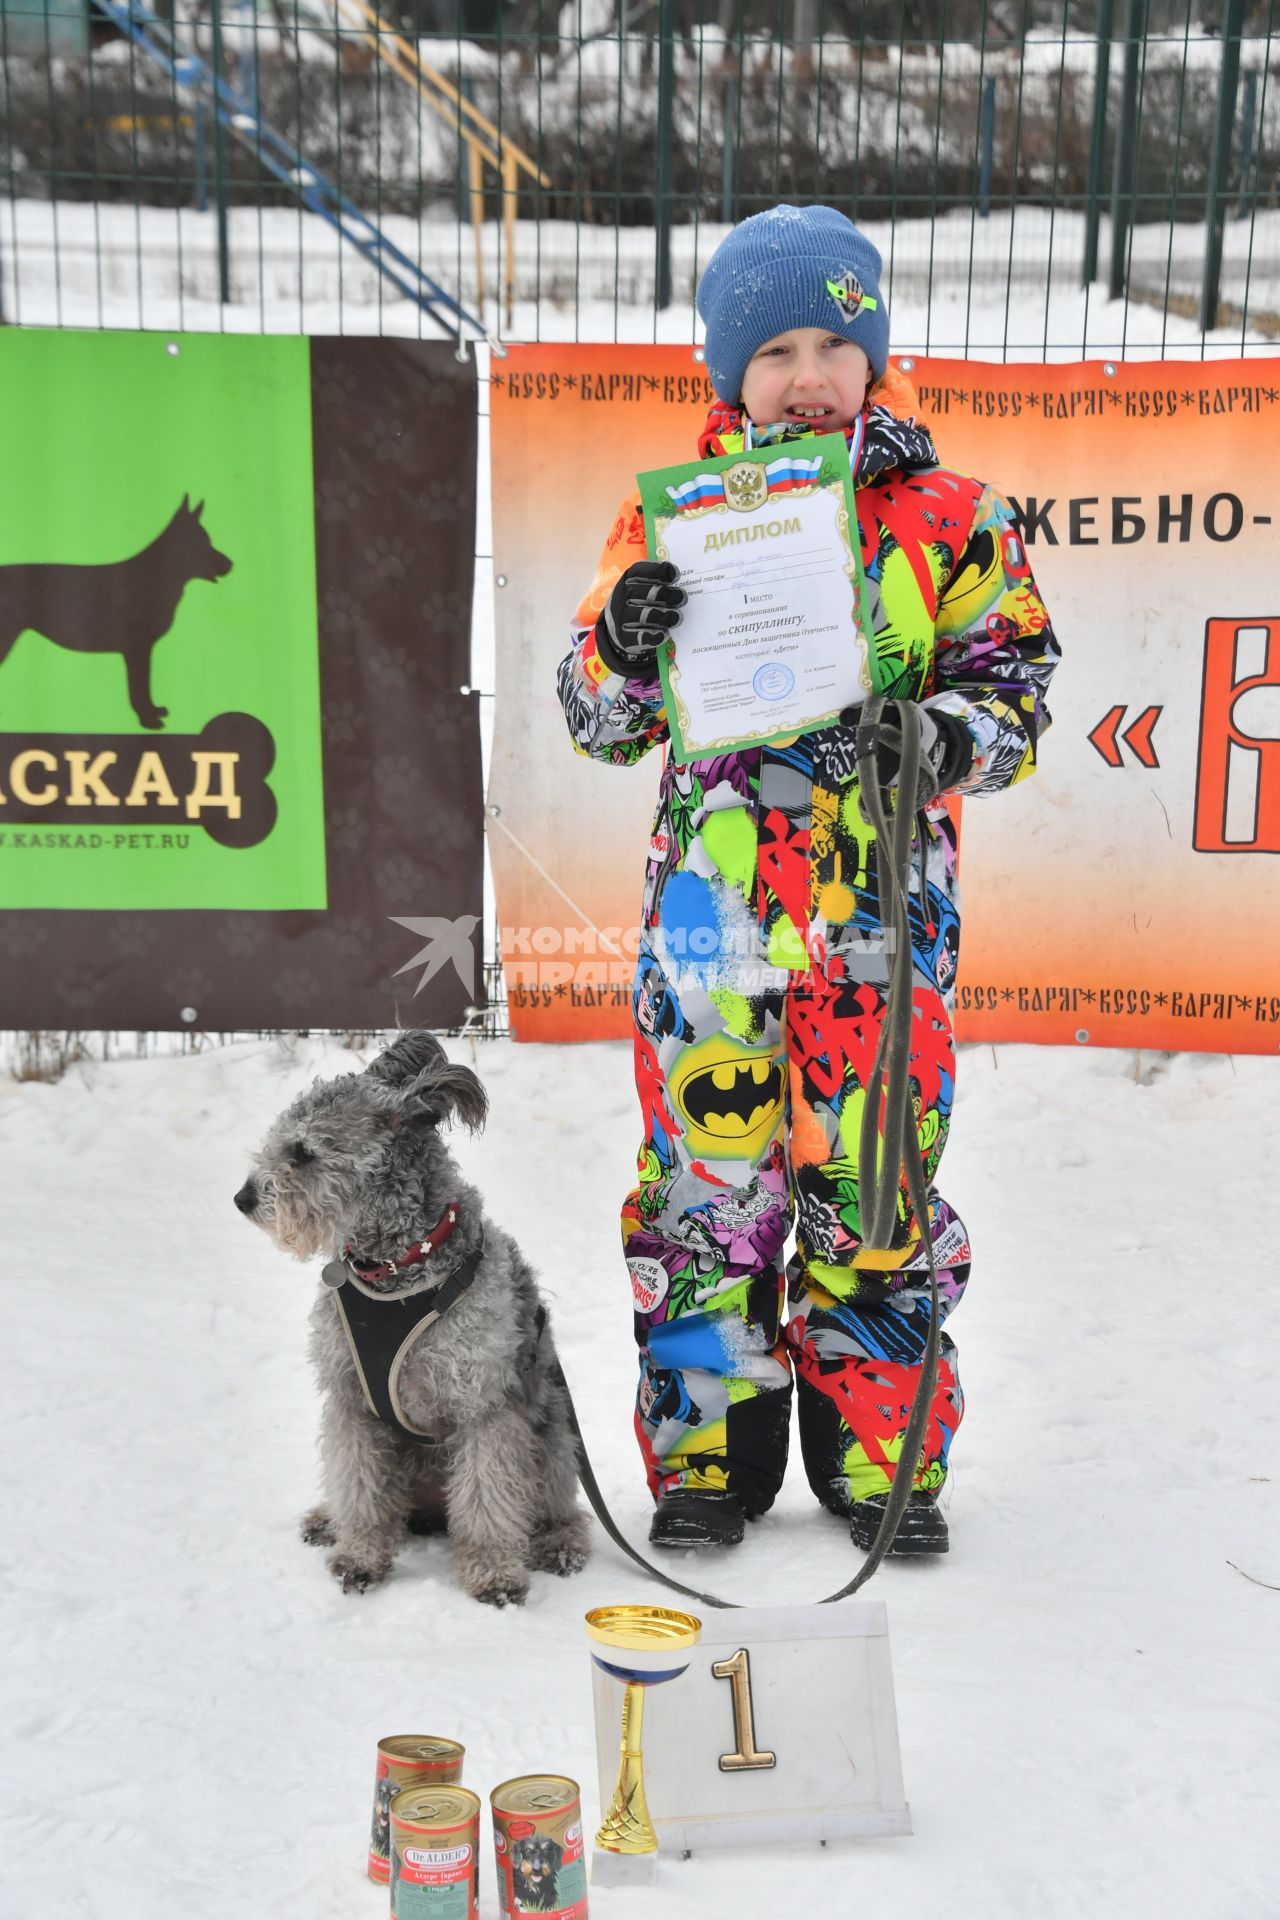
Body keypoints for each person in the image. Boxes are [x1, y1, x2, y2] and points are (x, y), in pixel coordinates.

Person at [556, 204, 1060, 1556]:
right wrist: (621, 640)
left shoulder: (953, 518)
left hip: (879, 932)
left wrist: (946, 734)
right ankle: (708, 1457)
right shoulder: (666, 521)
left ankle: (878, 1457)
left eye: (838, 341)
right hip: (711, 930)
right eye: (774, 348)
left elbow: (1016, 697)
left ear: (876, 356)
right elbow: (597, 720)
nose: (809, 374)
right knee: (709, 1187)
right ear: (730, 372)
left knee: (873, 1182)